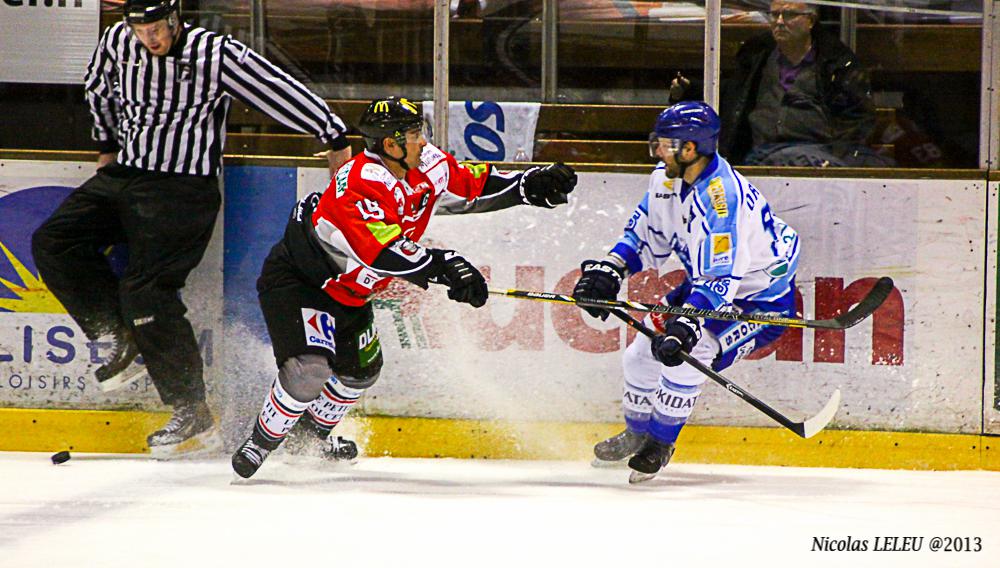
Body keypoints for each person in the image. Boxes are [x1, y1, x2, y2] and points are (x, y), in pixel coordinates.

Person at [30, 0, 352, 458]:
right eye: (140, 29)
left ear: (175, 18)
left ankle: (191, 412)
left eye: (157, 28)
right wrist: (106, 145)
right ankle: (119, 334)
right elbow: (98, 87)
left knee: (147, 290)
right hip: (126, 174)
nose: (150, 38)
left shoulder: (212, 52)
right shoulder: (118, 40)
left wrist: (332, 134)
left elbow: (273, 88)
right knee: (54, 241)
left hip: (183, 188)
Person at [231, 96, 577, 479]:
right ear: (390, 144)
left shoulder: (426, 163)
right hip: (303, 282)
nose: (423, 141)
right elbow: (381, 252)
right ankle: (261, 442)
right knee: (310, 370)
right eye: (413, 135)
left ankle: (309, 439)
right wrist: (443, 265)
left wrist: (527, 185)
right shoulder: (359, 183)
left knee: (361, 373)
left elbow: (471, 183)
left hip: (351, 294)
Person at [573, 101, 800, 482]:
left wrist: (686, 325)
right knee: (640, 355)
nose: (658, 152)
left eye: (665, 145)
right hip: (703, 286)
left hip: (758, 301)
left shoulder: (722, 201)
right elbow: (643, 235)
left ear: (690, 149)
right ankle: (636, 434)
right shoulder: (665, 180)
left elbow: (722, 277)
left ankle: (660, 443)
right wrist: (611, 269)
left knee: (693, 351)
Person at [670, 1, 889, 167]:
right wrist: (690, 90)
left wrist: (836, 158)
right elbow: (734, 96)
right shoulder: (756, 56)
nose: (780, 22)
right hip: (759, 157)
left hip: (818, 161)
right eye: (775, 14)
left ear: (811, 21)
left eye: (790, 14)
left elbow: (857, 119)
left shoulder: (837, 63)